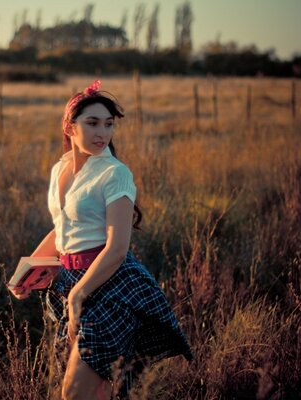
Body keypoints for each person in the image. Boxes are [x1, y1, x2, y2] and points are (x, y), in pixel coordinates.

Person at [15, 80, 192, 399]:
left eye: (108, 124)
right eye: (92, 123)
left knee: (74, 392)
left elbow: (117, 247)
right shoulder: (60, 169)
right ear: (69, 127)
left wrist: (78, 295)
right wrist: (27, 271)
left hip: (111, 284)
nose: (102, 133)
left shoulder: (114, 173)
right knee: (98, 390)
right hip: (70, 280)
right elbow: (62, 228)